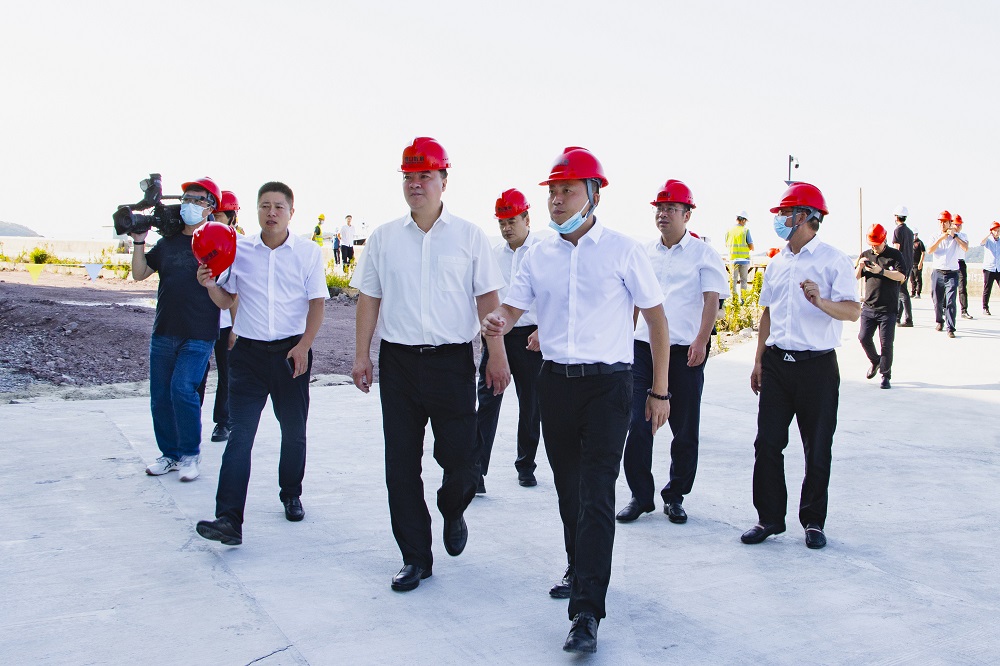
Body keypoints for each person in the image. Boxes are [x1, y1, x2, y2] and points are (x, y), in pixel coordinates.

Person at [482, 147, 670, 654]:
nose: (557, 199)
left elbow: (656, 320)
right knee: (569, 492)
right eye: (553, 191)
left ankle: (587, 611)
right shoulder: (539, 254)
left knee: (597, 493)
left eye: (567, 190)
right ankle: (579, 567)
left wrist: (659, 390)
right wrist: (500, 320)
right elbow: (513, 306)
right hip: (556, 385)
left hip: (610, 387)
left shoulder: (624, 251)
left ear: (594, 195)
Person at [351, 137, 504, 593]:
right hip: (398, 363)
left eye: (425, 176)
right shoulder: (383, 238)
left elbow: (487, 299)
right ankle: (415, 557)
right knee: (400, 464)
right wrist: (361, 354)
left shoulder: (469, 236)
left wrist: (497, 356)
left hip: (452, 362)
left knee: (462, 459)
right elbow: (369, 298)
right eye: (409, 176)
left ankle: (453, 508)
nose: (415, 184)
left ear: (443, 181)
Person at [194, 182, 327, 546]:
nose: (271, 212)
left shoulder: (307, 252)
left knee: (294, 431)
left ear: (291, 212)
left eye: (278, 206)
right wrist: (210, 285)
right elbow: (227, 300)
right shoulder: (239, 250)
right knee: (240, 435)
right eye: (265, 206)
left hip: (290, 354)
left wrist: (304, 346)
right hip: (248, 356)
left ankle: (291, 493)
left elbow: (317, 303)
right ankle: (228, 519)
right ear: (256, 210)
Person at [740, 182, 860, 551]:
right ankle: (769, 519)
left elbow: (853, 311)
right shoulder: (777, 262)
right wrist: (758, 360)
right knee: (767, 444)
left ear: (806, 216)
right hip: (778, 364)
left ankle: (813, 521)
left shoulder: (833, 260)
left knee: (817, 448)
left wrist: (821, 302)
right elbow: (768, 314)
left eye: (785, 212)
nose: (779, 219)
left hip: (817, 367)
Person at [618, 180, 728, 526]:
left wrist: (702, 340)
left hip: (684, 351)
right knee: (637, 424)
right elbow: (635, 300)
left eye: (671, 209)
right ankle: (640, 496)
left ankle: (676, 495)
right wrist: (624, 337)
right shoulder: (643, 252)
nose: (663, 214)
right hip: (642, 349)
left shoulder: (704, 254)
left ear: (687, 214)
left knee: (684, 428)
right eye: (659, 208)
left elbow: (712, 300)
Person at [131, 177, 224, 483]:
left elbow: (231, 288)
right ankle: (169, 455)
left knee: (182, 389)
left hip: (200, 331)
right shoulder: (167, 243)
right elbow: (140, 273)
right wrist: (139, 241)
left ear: (210, 207)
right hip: (164, 329)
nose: (189, 204)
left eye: (197, 199)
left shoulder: (217, 242)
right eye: (186, 199)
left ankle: (190, 454)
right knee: (160, 395)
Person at [474, 188, 543, 492]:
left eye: (512, 221)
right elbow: (484, 297)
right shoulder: (493, 255)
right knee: (488, 400)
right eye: (501, 222)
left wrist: (545, 330)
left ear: (527, 219)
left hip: (531, 337)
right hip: (498, 336)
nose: (506, 228)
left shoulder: (543, 251)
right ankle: (476, 471)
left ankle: (525, 466)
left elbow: (555, 295)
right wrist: (485, 333)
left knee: (531, 405)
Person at [197, 190, 241, 442]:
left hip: (226, 322)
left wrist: (235, 326)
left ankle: (223, 422)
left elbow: (238, 290)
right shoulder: (200, 241)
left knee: (227, 373)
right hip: (202, 320)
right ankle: (191, 421)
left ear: (232, 217)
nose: (214, 219)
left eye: (220, 215)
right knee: (197, 374)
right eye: (212, 214)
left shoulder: (241, 245)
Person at [856, 224, 906, 389]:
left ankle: (885, 375)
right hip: (869, 306)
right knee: (863, 337)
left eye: (876, 244)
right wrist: (860, 267)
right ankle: (875, 361)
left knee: (886, 344)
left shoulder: (894, 255)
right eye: (871, 244)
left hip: (888, 309)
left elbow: (901, 276)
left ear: (884, 240)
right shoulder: (866, 255)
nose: (874, 247)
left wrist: (881, 271)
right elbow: (854, 277)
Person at [926, 210, 967, 338]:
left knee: (950, 301)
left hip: (952, 273)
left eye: (945, 222)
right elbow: (929, 250)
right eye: (940, 222)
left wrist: (954, 236)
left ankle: (951, 328)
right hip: (938, 272)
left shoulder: (958, 236)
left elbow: (965, 248)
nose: (942, 224)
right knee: (937, 300)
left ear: (950, 223)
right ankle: (939, 321)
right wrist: (941, 238)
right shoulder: (934, 236)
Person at [890, 205, 914, 327]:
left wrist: (892, 263)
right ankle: (897, 318)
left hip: (901, 265)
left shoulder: (897, 230)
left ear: (896, 217)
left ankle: (908, 319)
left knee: (902, 291)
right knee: (900, 290)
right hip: (909, 263)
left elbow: (896, 249)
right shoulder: (910, 232)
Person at [725, 211, 754, 302]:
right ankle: (743, 300)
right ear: (743, 220)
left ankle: (733, 300)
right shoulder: (745, 230)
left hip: (732, 259)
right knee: (743, 281)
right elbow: (751, 246)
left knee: (733, 280)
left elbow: (726, 244)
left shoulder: (729, 230)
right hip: (744, 259)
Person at [954, 214, 973, 319]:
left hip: (960, 263)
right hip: (951, 263)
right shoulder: (947, 235)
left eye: (959, 224)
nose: (958, 226)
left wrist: (955, 237)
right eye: (956, 224)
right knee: (949, 287)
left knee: (962, 287)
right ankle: (944, 308)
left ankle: (964, 310)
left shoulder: (963, 236)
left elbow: (965, 247)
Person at [981, 222, 1000, 316]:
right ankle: (985, 308)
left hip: (998, 268)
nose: (997, 233)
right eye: (995, 231)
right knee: (987, 289)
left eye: (998, 231)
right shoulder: (988, 241)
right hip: (989, 268)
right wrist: (988, 234)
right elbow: (981, 242)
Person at [910, 229, 926, 298]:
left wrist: (920, 263)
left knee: (918, 279)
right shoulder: (910, 243)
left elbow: (923, 253)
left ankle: (918, 293)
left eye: (915, 234)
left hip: (917, 264)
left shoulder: (920, 243)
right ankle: (913, 293)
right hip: (911, 264)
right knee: (912, 279)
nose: (914, 236)